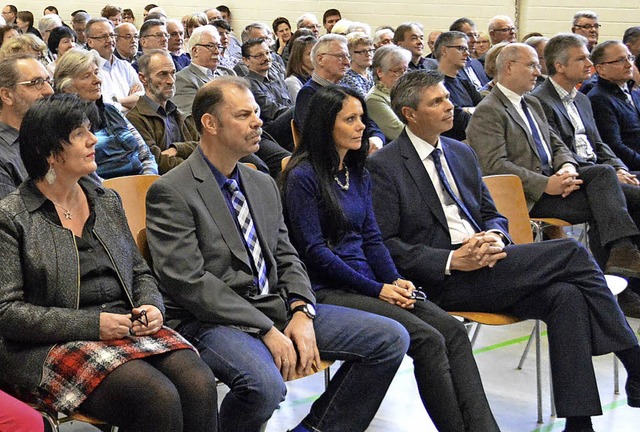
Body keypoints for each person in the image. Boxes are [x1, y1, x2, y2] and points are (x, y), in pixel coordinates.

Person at [367, 70, 640, 432]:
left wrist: (496, 237)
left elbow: (492, 214)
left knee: (566, 296)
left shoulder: (460, 152)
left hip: (490, 262)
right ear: (409, 114)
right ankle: (634, 362)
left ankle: (580, 423)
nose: (450, 106)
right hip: (441, 277)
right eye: (436, 102)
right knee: (570, 253)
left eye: (447, 97)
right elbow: (385, 245)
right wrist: (452, 259)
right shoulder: (383, 166)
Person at [145, 76, 409, 432]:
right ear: (210, 123)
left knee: (390, 338)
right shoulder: (171, 191)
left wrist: (302, 308)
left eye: (256, 112)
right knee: (265, 386)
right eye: (243, 115)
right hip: (213, 320)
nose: (258, 122)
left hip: (275, 306)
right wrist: (266, 327)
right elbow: (190, 282)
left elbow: (287, 255)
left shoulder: (261, 181)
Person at [282, 84, 500, 432]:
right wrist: (377, 288)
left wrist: (393, 279)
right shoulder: (302, 176)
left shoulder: (357, 172)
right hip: (329, 288)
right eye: (350, 120)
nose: (361, 127)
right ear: (326, 126)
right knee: (427, 340)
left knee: (451, 331)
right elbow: (315, 253)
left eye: (362, 119)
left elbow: (372, 238)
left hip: (369, 282)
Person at [0, 93, 217, 432]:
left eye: (90, 129)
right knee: (156, 396)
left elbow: (139, 271)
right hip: (52, 345)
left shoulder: (105, 199)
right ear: (49, 152)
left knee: (199, 381)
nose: (93, 140)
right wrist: (93, 325)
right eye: (79, 134)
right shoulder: (12, 217)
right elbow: (8, 313)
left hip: (123, 326)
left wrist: (151, 304)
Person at [466, 43, 640, 277]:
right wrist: (546, 184)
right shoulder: (489, 110)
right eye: (532, 65)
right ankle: (621, 269)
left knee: (606, 175)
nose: (538, 72)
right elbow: (495, 166)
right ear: (509, 67)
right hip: (527, 196)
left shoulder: (532, 102)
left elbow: (557, 144)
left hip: (557, 182)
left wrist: (566, 167)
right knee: (610, 205)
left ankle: (623, 256)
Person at [531, 33, 640, 317]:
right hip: (573, 177)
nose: (588, 63)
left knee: (620, 196)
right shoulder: (539, 101)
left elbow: (599, 144)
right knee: (622, 198)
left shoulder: (581, 99)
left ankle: (623, 276)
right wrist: (608, 172)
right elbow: (558, 151)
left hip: (601, 173)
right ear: (559, 66)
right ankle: (622, 277)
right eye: (581, 58)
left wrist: (619, 168)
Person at [54, 48, 157, 178]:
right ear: (66, 87)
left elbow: (146, 155)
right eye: (86, 76)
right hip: (104, 192)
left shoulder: (111, 111)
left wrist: (148, 180)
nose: (97, 80)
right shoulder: (62, 123)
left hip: (142, 184)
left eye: (96, 73)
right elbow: (80, 175)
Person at [294, 34, 385, 151]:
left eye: (347, 56)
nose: (347, 62)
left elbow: (369, 123)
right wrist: (363, 145)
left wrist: (376, 139)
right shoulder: (309, 94)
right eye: (340, 56)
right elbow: (317, 138)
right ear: (320, 59)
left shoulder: (346, 90)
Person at [127, 50, 198, 174]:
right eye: (163, 74)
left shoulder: (179, 114)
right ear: (143, 78)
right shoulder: (135, 119)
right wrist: (198, 166)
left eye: (173, 73)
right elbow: (157, 162)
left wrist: (177, 149)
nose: (171, 81)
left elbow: (205, 147)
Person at [0, 54, 54, 199]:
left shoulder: (55, 134)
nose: (49, 91)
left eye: (48, 81)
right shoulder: (3, 154)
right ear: (7, 95)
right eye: (37, 82)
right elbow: (10, 219)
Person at [588, 41, 640, 171]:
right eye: (620, 60)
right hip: (628, 169)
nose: (629, 65)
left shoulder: (633, 92)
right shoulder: (599, 99)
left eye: (630, 58)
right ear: (601, 69)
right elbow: (614, 146)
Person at [174, 25, 234, 116]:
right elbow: (193, 119)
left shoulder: (229, 73)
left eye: (218, 46)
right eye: (211, 46)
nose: (217, 51)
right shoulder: (182, 80)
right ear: (195, 51)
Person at [86, 18, 143, 112]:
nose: (110, 40)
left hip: (132, 122)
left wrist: (117, 101)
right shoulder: (87, 69)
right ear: (90, 42)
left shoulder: (125, 66)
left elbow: (142, 99)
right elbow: (103, 106)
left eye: (112, 35)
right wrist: (129, 103)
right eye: (103, 37)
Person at [435, 31, 482, 141]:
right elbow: (458, 121)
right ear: (444, 51)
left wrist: (466, 110)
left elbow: (487, 111)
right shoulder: (434, 85)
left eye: (466, 49)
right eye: (461, 48)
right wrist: (472, 110)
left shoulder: (465, 83)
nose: (467, 54)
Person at [366, 44, 411, 141]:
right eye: (397, 71)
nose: (403, 76)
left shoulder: (404, 93)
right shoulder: (374, 99)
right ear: (380, 72)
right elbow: (399, 132)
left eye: (405, 70)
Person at [339, 32, 374, 98]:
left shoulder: (371, 74)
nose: (368, 54)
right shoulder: (348, 78)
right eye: (363, 51)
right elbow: (366, 102)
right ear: (350, 54)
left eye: (370, 50)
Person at [284, 34, 315, 100]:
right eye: (310, 54)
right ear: (299, 57)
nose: (315, 56)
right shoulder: (292, 82)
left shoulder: (316, 77)